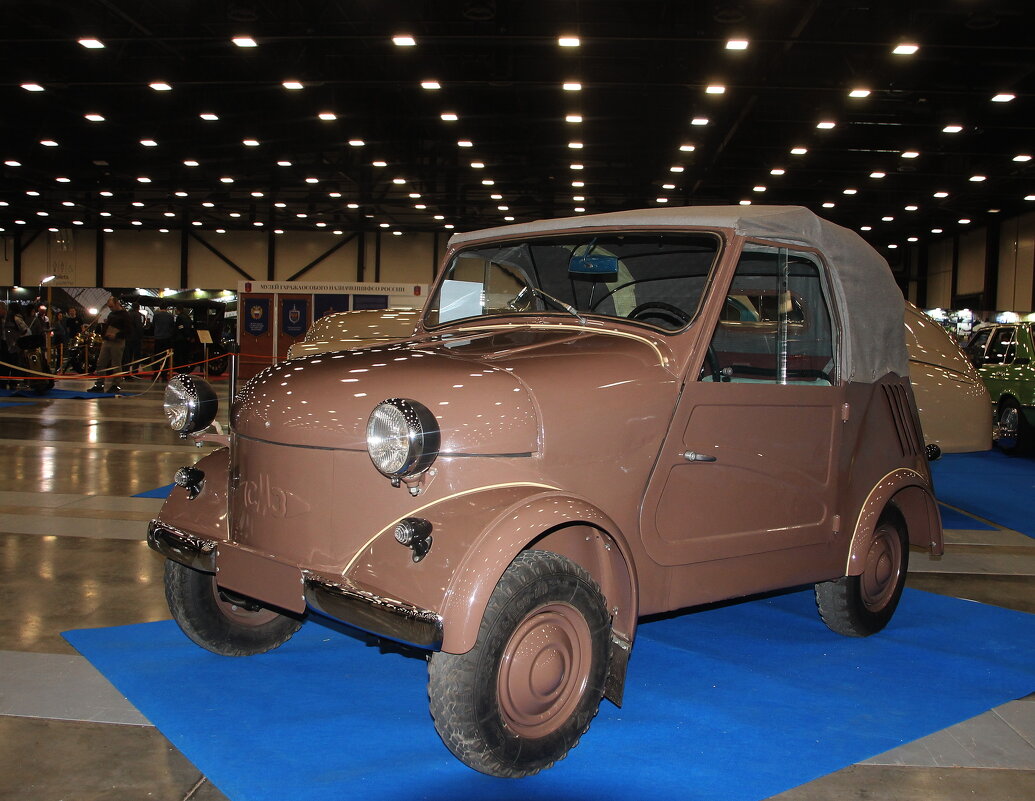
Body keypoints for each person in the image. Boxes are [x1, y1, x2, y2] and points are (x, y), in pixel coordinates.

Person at [90, 296, 132, 394]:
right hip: (107, 341)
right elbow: (107, 326)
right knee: (101, 362)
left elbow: (129, 330)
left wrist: (116, 335)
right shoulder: (111, 314)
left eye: (112, 306)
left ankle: (116, 385)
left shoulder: (125, 315)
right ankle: (99, 384)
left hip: (118, 342)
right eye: (109, 307)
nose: (111, 309)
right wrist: (104, 334)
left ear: (117, 304)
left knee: (116, 364)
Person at [152, 305, 175, 379]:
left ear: (160, 307)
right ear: (166, 308)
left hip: (158, 338)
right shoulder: (170, 316)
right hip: (167, 339)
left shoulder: (156, 315)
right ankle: (164, 374)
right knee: (166, 357)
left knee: (157, 357)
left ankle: (156, 374)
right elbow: (172, 327)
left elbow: (153, 326)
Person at [172, 307, 195, 375]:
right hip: (187, 340)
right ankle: (185, 369)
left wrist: (185, 335)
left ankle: (180, 369)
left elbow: (180, 327)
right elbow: (191, 327)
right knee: (185, 355)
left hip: (180, 339)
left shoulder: (179, 317)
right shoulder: (188, 317)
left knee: (179, 355)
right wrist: (190, 336)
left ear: (178, 310)